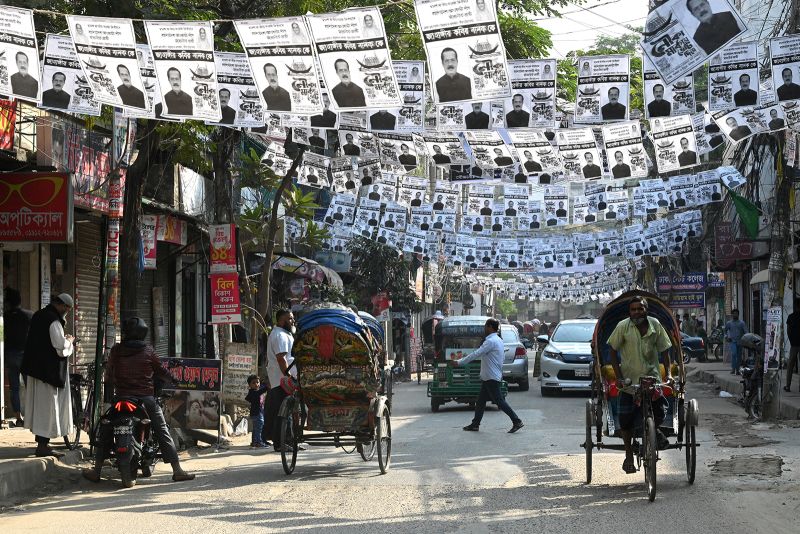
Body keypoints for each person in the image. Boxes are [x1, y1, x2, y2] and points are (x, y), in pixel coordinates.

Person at [83, 317, 195, 483]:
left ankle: (97, 470)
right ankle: (177, 470)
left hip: (121, 397)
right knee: (162, 429)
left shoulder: (116, 350)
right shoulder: (148, 351)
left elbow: (109, 375)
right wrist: (174, 379)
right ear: (143, 333)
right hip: (145, 399)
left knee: (106, 426)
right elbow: (162, 371)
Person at [608, 296, 673, 474]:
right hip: (629, 382)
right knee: (625, 420)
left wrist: (667, 373)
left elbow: (665, 350)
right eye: (633, 309)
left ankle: (654, 432)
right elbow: (612, 350)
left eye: (640, 309)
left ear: (646, 309)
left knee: (660, 410)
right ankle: (629, 455)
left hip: (652, 379)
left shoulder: (655, 325)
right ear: (629, 312)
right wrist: (619, 377)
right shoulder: (623, 326)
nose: (637, 312)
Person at [19, 294, 75, 457]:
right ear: (62, 306)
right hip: (47, 373)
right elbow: (59, 346)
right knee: (47, 409)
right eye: (67, 309)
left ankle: (42, 444)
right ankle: (42, 445)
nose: (67, 312)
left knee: (40, 408)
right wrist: (69, 341)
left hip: (35, 370)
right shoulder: (53, 321)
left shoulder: (39, 315)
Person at [451, 318, 524, 433]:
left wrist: (459, 362)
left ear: (490, 327)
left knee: (499, 401)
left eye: (486, 326)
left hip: (491, 376)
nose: (484, 329)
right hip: (490, 376)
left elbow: (476, 354)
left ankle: (516, 421)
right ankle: (475, 424)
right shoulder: (498, 340)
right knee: (480, 401)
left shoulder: (490, 341)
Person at [263, 310, 297, 451]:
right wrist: (288, 376)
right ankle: (281, 443)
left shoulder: (285, 334)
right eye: (290, 319)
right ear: (282, 320)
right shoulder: (279, 335)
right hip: (282, 380)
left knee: (286, 412)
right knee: (281, 413)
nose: (292, 321)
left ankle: (288, 441)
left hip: (284, 379)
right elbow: (281, 358)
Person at [4, 288, 32, 427]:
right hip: (26, 356)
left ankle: (18, 418)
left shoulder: (5, 317)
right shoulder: (29, 315)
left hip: (10, 355)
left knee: (14, 388)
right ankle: (31, 417)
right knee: (30, 387)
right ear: (20, 301)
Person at [725, 308, 748, 374]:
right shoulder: (729, 323)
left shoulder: (742, 323)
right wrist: (726, 337)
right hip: (732, 341)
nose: (735, 315)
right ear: (732, 315)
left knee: (739, 356)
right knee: (734, 354)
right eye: (734, 313)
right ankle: (733, 368)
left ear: (738, 314)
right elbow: (725, 331)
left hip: (740, 342)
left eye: (736, 314)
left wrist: (746, 339)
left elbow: (746, 332)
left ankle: (737, 370)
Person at [785, 302, 800, 392]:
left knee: (790, 366)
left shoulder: (791, 316)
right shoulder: (791, 316)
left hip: (794, 345)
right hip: (795, 344)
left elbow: (788, 330)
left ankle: (788, 386)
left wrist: (791, 341)